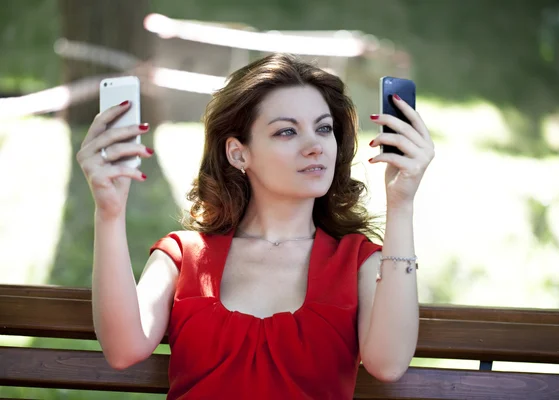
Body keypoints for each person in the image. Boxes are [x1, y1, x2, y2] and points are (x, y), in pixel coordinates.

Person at [77, 53, 435, 399]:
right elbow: (122, 350)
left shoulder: (358, 262)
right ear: (238, 153)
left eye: (324, 128)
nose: (315, 146)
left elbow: (388, 364)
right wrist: (108, 211)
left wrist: (401, 204)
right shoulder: (182, 256)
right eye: (286, 132)